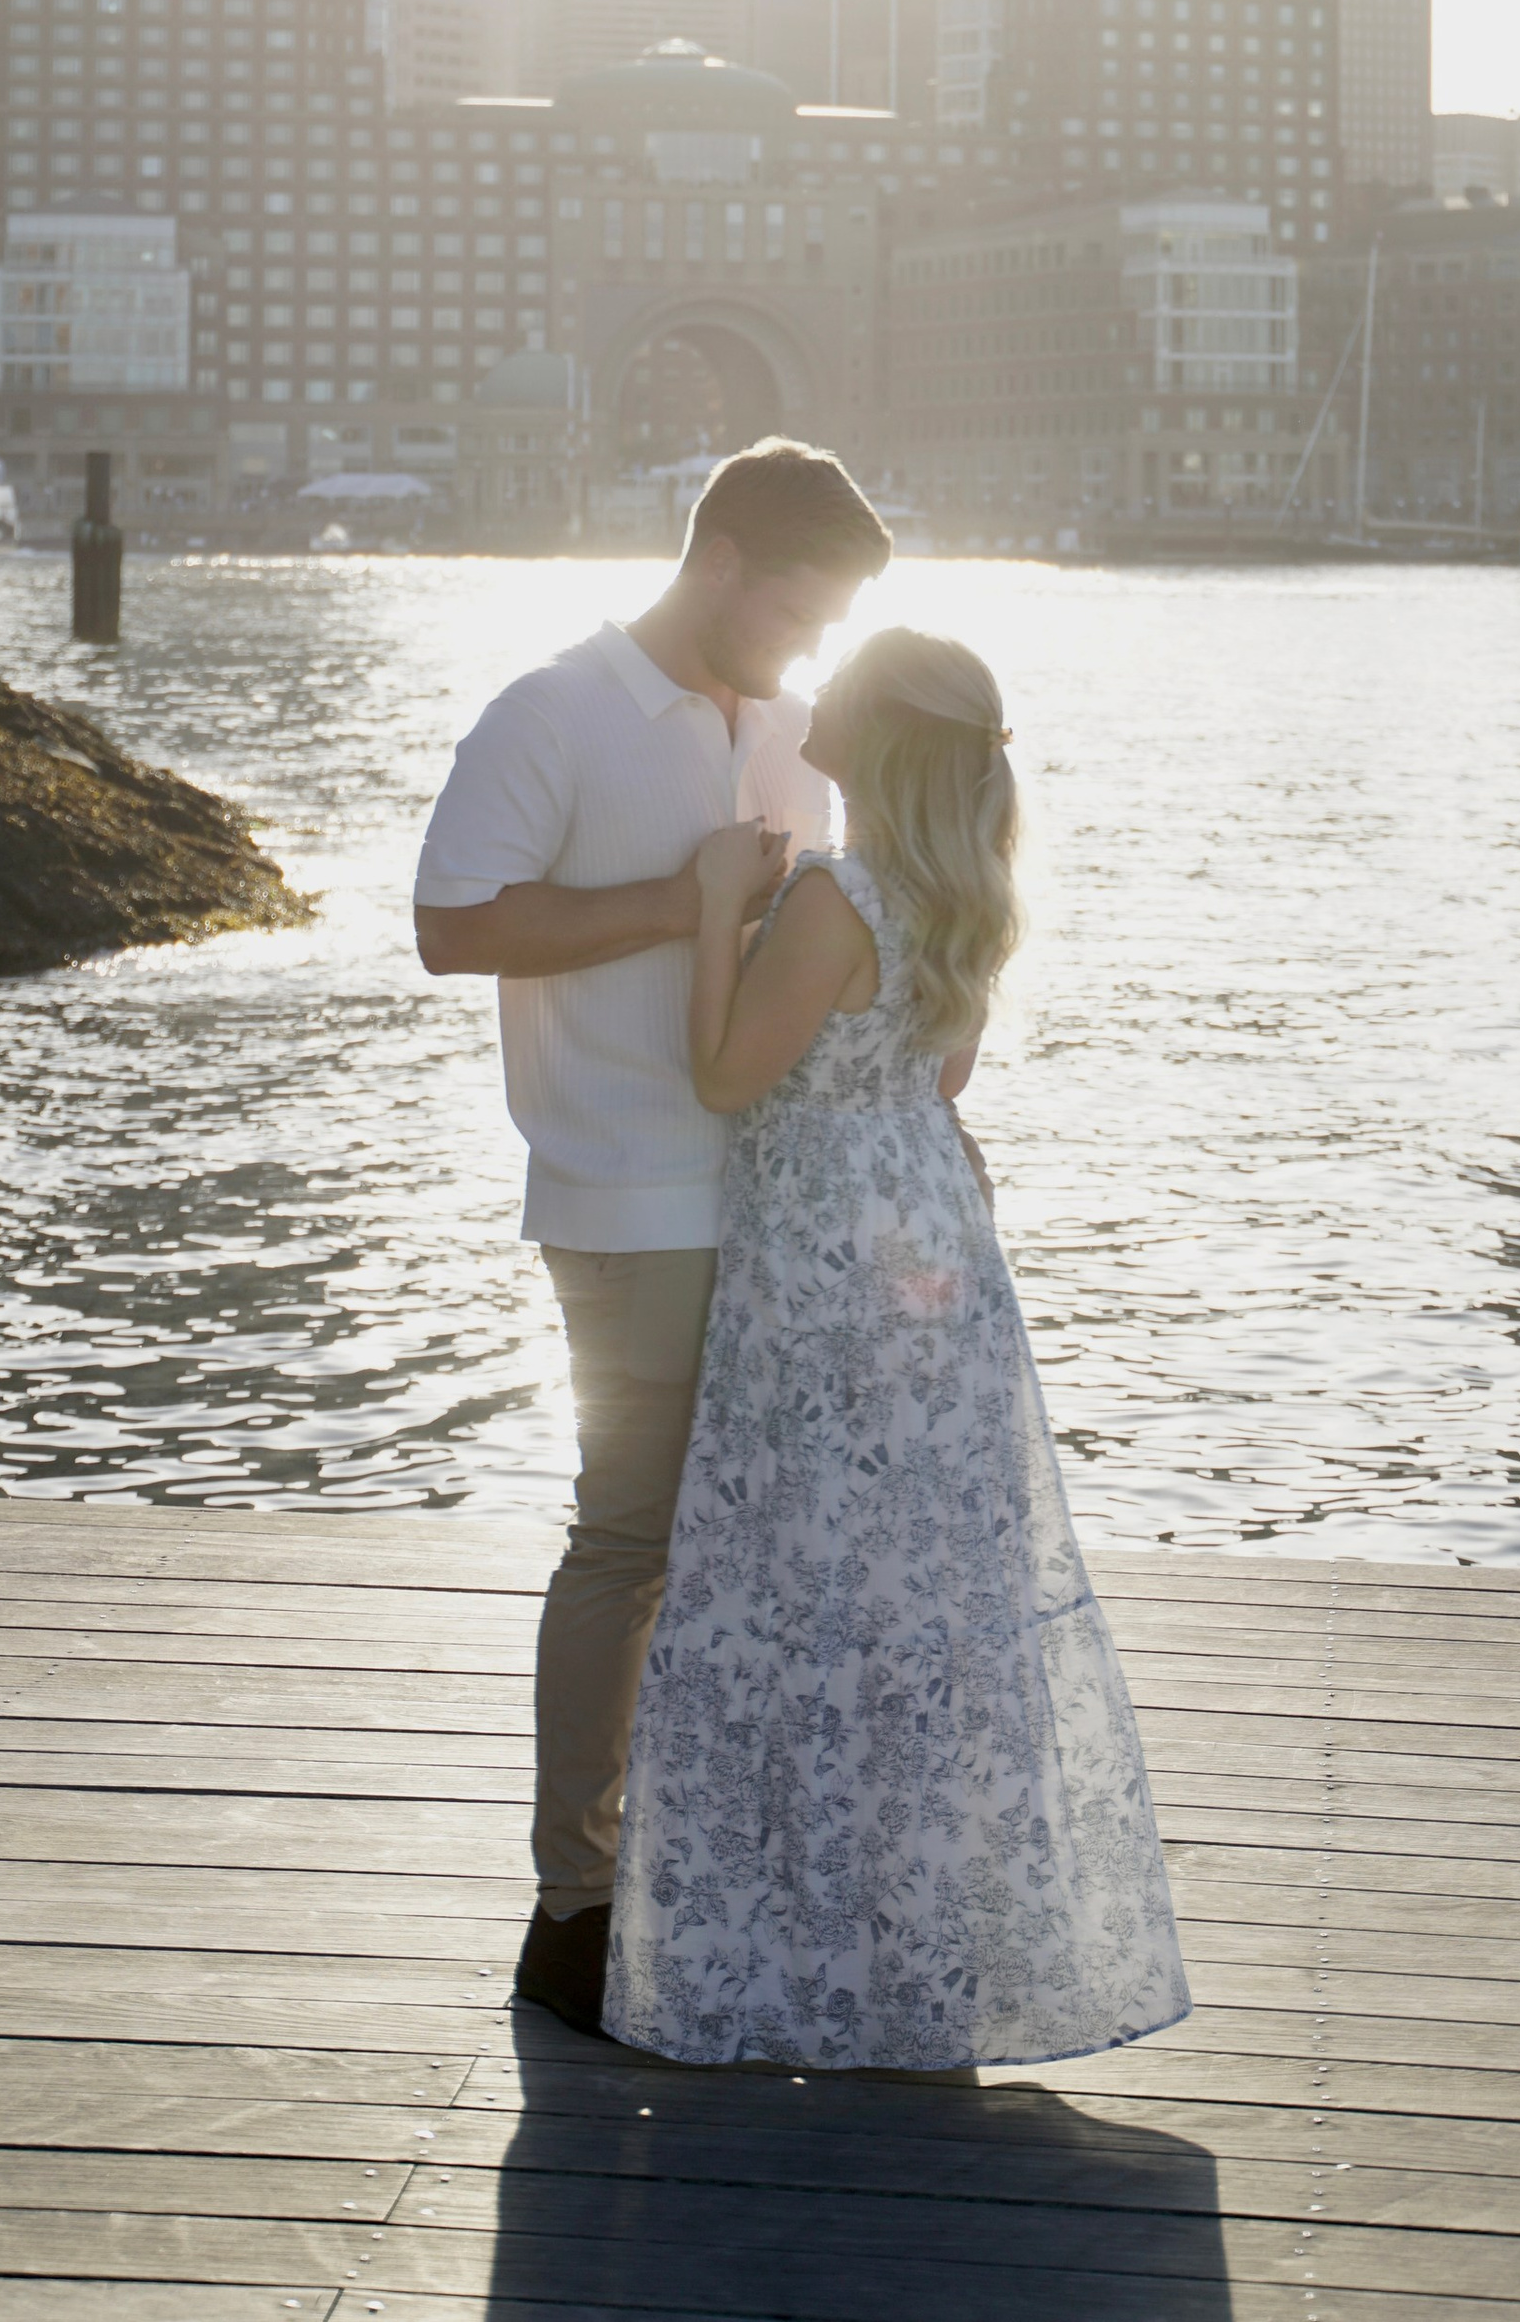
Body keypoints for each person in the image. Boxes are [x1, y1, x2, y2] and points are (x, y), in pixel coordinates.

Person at [604, 626, 1189, 2071]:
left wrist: (708, 908)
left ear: (865, 736)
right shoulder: (964, 897)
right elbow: (939, 1079)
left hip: (824, 1276)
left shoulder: (834, 895)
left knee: (798, 1583)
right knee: (928, 1602)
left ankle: (801, 1958)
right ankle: (930, 1955)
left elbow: (728, 1076)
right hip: (935, 1246)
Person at [413, 437, 892, 2033]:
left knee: (742, 1551)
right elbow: (452, 923)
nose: (810, 645)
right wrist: (678, 901)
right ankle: (573, 1906)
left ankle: (697, 1878)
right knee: (627, 1540)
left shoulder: (798, 734)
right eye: (800, 610)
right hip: (623, 1191)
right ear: (727, 559)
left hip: (778, 1195)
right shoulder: (555, 711)